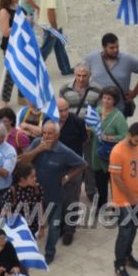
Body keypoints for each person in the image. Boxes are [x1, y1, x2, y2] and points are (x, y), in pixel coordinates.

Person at [20, 121, 86, 264]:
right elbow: (24, 161)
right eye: (44, 132)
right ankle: (29, 250)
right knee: (30, 222)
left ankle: (50, 253)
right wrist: (39, 149)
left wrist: (67, 177)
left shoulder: (64, 151)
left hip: (54, 194)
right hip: (34, 194)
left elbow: (82, 164)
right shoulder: (37, 142)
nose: (46, 136)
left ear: (57, 135)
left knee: (54, 225)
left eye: (50, 133)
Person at [110, 122, 138, 276]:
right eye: (136, 140)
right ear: (129, 134)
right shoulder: (117, 151)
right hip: (123, 200)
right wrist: (131, 197)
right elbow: (117, 179)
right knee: (124, 233)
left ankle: (127, 256)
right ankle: (119, 266)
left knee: (133, 230)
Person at [59, 63, 100, 201]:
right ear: (74, 75)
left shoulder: (97, 90)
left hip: (90, 132)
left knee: (89, 161)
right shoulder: (64, 89)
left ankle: (91, 190)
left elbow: (100, 112)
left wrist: (91, 129)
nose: (81, 79)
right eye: (78, 75)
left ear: (89, 76)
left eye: (84, 76)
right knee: (70, 160)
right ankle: (71, 189)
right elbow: (59, 108)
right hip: (71, 132)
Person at [84, 33, 138, 116]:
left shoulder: (127, 59)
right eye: (112, 48)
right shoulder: (91, 58)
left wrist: (135, 92)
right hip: (97, 109)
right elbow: (81, 75)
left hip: (119, 109)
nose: (115, 50)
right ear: (104, 47)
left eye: (117, 47)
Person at [88, 87, 128, 211]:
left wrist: (108, 137)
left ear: (114, 100)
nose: (106, 101)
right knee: (100, 183)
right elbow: (91, 125)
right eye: (104, 98)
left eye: (109, 98)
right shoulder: (98, 111)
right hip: (96, 153)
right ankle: (102, 205)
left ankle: (117, 206)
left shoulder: (118, 116)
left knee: (114, 183)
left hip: (111, 155)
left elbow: (124, 136)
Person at [56, 98, 87, 245]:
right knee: (58, 199)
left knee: (72, 199)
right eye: (59, 110)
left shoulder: (78, 122)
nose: (63, 113)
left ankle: (69, 230)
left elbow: (84, 140)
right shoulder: (49, 122)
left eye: (65, 110)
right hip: (55, 168)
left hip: (74, 167)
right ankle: (60, 226)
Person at [38, 0, 74, 75]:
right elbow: (50, 11)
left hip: (54, 24)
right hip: (52, 26)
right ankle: (33, 68)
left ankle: (65, 68)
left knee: (59, 46)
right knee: (45, 50)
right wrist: (54, 30)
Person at [2, 163, 44, 238]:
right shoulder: (12, 192)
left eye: (35, 176)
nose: (35, 179)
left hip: (33, 228)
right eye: (32, 177)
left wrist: (41, 226)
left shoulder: (37, 188)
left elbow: (39, 207)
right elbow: (5, 212)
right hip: (17, 230)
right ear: (22, 179)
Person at [0, 0, 21, 106]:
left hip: (20, 43)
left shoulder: (17, 6)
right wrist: (20, 24)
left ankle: (22, 96)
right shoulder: (4, 11)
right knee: (10, 74)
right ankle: (4, 100)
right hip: (10, 45)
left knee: (21, 70)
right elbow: (6, 32)